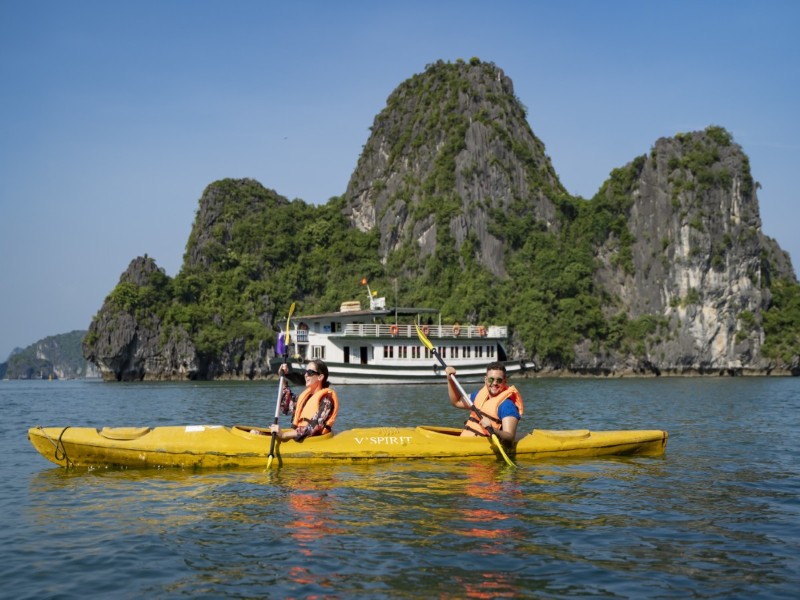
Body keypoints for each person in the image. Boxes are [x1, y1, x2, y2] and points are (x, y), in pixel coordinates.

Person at [445, 362, 523, 443]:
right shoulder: (479, 395)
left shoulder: (507, 405)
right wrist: (450, 380)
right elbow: (456, 402)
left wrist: (492, 429)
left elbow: (510, 437)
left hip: (481, 445)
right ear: (485, 380)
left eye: (499, 380)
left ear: (505, 381)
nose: (494, 383)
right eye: (491, 379)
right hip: (465, 441)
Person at [270, 359, 339, 441]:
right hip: (298, 435)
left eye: (310, 372)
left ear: (320, 377)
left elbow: (315, 427)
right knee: (254, 432)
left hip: (314, 439)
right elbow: (287, 407)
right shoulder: (306, 396)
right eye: (305, 372)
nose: (306, 375)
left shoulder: (327, 399)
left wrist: (284, 435)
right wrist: (282, 378)